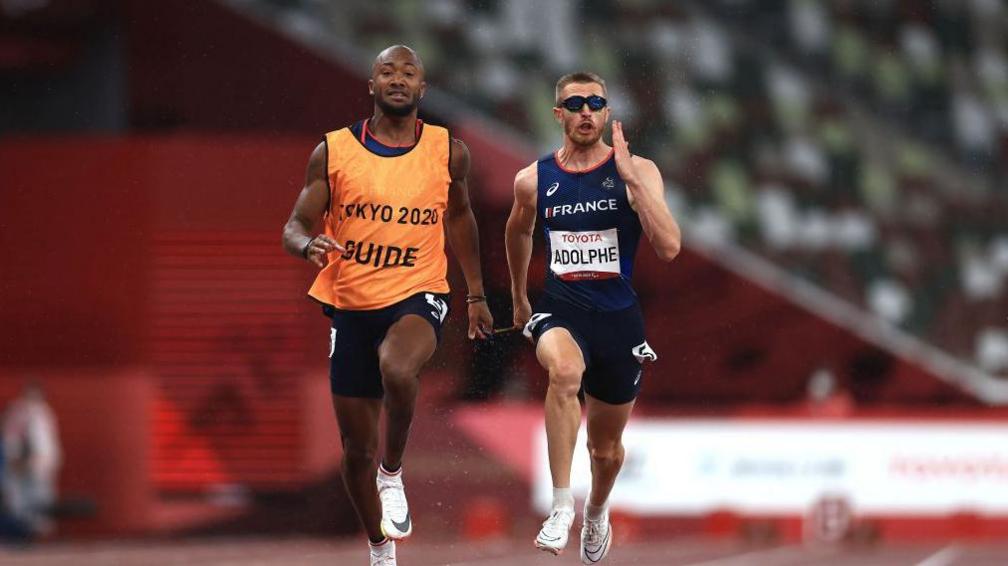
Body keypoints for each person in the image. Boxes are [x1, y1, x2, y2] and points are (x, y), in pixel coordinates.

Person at [282, 45, 493, 566]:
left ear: (422, 89)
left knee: (398, 367)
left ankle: (393, 473)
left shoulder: (449, 151)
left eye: (408, 73)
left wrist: (476, 293)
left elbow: (461, 219)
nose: (397, 79)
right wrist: (308, 245)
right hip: (352, 303)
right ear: (371, 85)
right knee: (353, 452)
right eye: (386, 71)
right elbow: (293, 225)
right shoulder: (333, 152)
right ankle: (380, 549)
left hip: (420, 291)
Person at [505, 72, 681, 563]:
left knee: (606, 451)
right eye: (575, 103)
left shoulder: (639, 170)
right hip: (560, 309)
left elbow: (669, 246)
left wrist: (630, 182)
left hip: (619, 320)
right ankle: (561, 506)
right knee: (562, 372)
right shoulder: (533, 179)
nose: (585, 111)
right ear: (558, 114)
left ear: (606, 113)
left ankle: (597, 509)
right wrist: (520, 299)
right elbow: (517, 232)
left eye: (595, 103)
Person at [1, 381, 61, 538]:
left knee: (41, 501)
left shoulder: (44, 414)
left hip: (39, 465)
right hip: (19, 467)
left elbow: (46, 446)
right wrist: (16, 459)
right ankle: (21, 533)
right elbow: (11, 440)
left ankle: (39, 535)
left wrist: (36, 461)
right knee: (19, 503)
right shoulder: (17, 413)